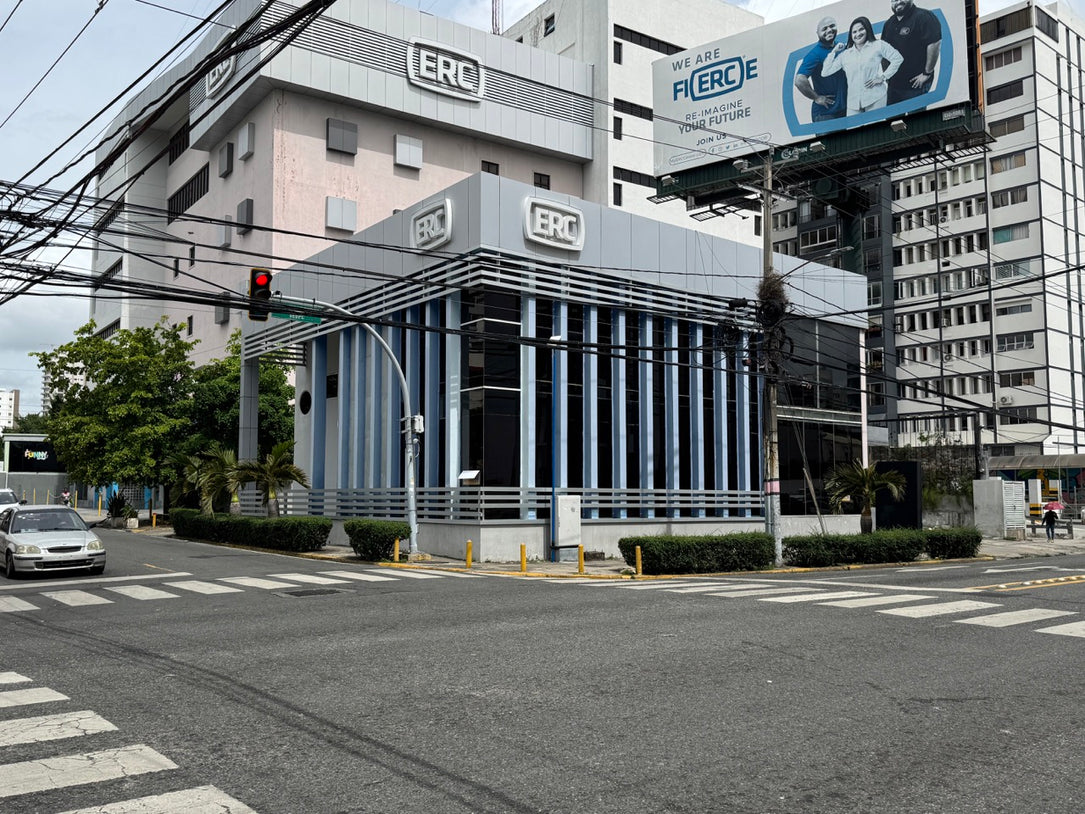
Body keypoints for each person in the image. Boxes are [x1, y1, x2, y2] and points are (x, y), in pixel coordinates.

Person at [821, 17, 903, 115]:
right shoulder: (846, 55)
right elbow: (825, 72)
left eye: (861, 29)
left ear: (867, 29)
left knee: (875, 129)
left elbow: (897, 58)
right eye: (854, 32)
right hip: (853, 103)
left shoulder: (878, 45)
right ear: (851, 35)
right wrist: (834, 51)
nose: (858, 34)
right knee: (853, 130)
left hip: (875, 98)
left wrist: (883, 77)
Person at [882, 0, 942, 105]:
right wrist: (887, 76)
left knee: (915, 121)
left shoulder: (924, 17)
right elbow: (884, 51)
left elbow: (934, 44)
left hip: (916, 86)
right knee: (892, 121)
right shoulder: (889, 24)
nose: (898, 2)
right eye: (894, 0)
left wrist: (927, 73)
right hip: (894, 87)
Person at [794, 16, 848, 123]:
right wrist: (817, 97)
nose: (829, 30)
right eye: (824, 29)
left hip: (844, 109)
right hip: (825, 113)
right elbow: (799, 80)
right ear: (817, 33)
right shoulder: (815, 54)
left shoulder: (842, 47)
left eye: (832, 26)